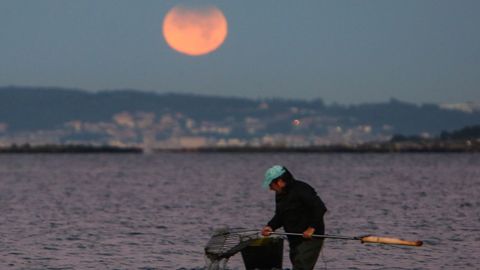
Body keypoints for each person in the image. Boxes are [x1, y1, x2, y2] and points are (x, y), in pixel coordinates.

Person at [261, 165, 327, 270]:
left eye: (271, 185)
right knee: (297, 265)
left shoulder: (302, 189)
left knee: (301, 266)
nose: (270, 188)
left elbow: (320, 208)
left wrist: (311, 228)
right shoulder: (280, 194)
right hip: (294, 240)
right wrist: (270, 226)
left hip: (311, 238)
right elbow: (280, 215)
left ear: (280, 182)